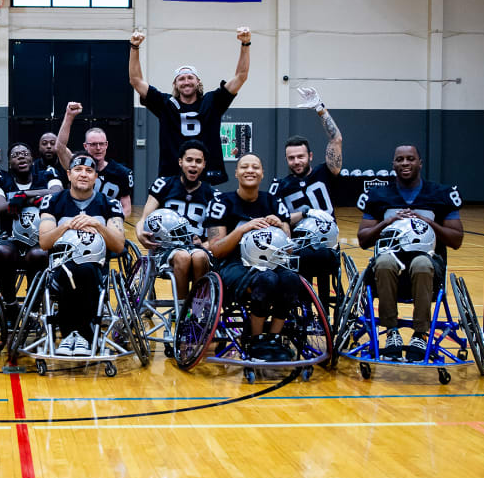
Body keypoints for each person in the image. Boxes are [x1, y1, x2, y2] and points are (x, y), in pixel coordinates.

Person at [356, 144, 464, 362]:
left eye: (410, 159)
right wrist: (388, 221)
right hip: (390, 263)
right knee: (384, 261)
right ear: (393, 165)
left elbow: (456, 240)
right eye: (400, 159)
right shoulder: (378, 195)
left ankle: (420, 333)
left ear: (420, 163)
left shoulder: (441, 194)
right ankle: (391, 331)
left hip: (428, 263)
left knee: (421, 264)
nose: (405, 163)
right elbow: (363, 239)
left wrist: (426, 221)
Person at [206, 154, 300, 361]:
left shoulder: (274, 201)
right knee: (267, 280)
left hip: (272, 262)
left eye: (255, 167)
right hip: (233, 264)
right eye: (245, 167)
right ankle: (255, 339)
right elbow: (216, 249)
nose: (250, 170)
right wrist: (245, 228)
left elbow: (289, 250)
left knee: (291, 279)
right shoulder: (221, 202)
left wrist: (281, 226)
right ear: (236, 173)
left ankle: (274, 338)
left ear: (262, 173)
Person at [130, 27, 251, 185]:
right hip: (172, 176)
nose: (186, 81)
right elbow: (136, 80)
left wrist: (245, 44)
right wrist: (134, 47)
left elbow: (241, 77)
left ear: (198, 81)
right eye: (181, 79)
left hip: (207, 176)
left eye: (190, 77)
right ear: (175, 84)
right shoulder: (166, 104)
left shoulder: (212, 101)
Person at [37, 152, 126, 354]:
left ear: (96, 177)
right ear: (68, 174)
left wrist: (97, 224)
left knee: (84, 270)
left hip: (96, 272)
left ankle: (80, 335)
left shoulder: (110, 204)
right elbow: (44, 242)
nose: (83, 174)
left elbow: (119, 246)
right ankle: (72, 334)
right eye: (78, 170)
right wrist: (67, 226)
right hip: (60, 270)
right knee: (71, 270)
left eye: (89, 170)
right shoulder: (52, 201)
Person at [269, 87, 344, 303]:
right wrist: (304, 213)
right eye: (291, 158)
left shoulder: (325, 172)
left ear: (310, 155)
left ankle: (323, 315)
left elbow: (336, 139)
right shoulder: (281, 186)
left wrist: (320, 109)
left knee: (321, 257)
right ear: (286, 159)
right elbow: (278, 220)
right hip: (299, 245)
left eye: (300, 156)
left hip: (327, 241)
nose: (296, 161)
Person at [137, 140, 220, 301]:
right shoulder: (164, 185)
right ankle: (182, 309)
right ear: (181, 162)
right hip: (167, 249)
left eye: (198, 161)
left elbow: (216, 235)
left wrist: (205, 245)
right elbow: (144, 218)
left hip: (198, 248)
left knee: (199, 257)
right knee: (182, 256)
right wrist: (140, 233)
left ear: (204, 165)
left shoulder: (213, 195)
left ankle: (196, 308)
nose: (193, 165)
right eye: (189, 160)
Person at [0, 142, 64, 308]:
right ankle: (10, 304)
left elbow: (58, 194)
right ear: (9, 163)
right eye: (15, 155)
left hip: (41, 239)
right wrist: (36, 198)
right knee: (1, 251)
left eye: (24, 153)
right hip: (9, 238)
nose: (20, 156)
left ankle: (32, 305)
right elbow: (0, 207)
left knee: (39, 254)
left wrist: (22, 196)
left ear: (32, 159)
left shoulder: (47, 174)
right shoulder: (1, 177)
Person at [54, 102, 135, 217]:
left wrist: (111, 224)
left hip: (106, 224)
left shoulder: (122, 172)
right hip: (77, 220)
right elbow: (60, 147)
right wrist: (69, 116)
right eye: (93, 144)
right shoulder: (77, 165)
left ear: (106, 145)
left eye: (101, 144)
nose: (98, 148)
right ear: (85, 146)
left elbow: (126, 207)